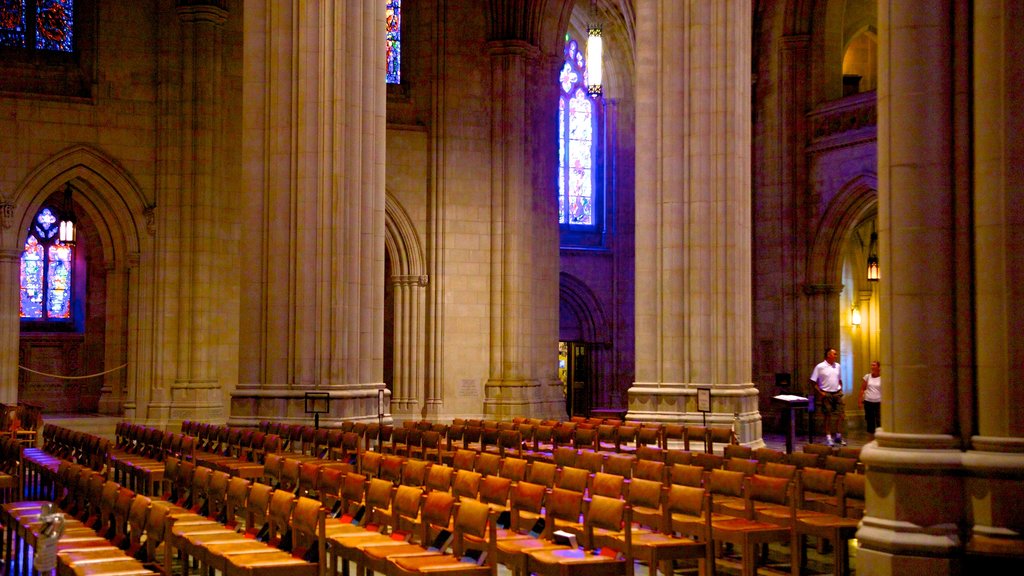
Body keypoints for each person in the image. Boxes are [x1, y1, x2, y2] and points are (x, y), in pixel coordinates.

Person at [810, 347, 846, 446]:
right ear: (828, 355)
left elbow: (840, 379)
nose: (836, 356)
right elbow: (813, 381)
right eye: (834, 354)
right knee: (828, 415)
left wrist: (841, 389)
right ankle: (828, 437)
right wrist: (821, 392)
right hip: (826, 393)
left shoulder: (837, 366)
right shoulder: (820, 367)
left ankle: (838, 435)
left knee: (841, 414)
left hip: (837, 392)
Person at [860, 360, 881, 439]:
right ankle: (870, 439)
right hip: (868, 401)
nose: (872, 367)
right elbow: (862, 389)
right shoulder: (867, 376)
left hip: (879, 402)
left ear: (879, 367)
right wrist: (860, 401)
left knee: (879, 421)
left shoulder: (882, 378)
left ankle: (879, 438)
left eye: (874, 365)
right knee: (870, 421)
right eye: (871, 365)